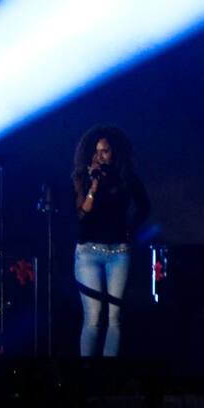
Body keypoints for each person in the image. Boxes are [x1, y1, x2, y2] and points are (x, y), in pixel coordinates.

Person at [71, 124, 150, 357]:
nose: (100, 156)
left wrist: (131, 230)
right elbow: (81, 214)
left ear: (114, 152)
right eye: (96, 151)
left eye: (105, 151)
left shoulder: (127, 179)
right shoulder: (81, 178)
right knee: (93, 318)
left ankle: (109, 370)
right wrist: (93, 186)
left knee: (115, 317)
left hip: (119, 252)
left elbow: (144, 207)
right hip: (88, 252)